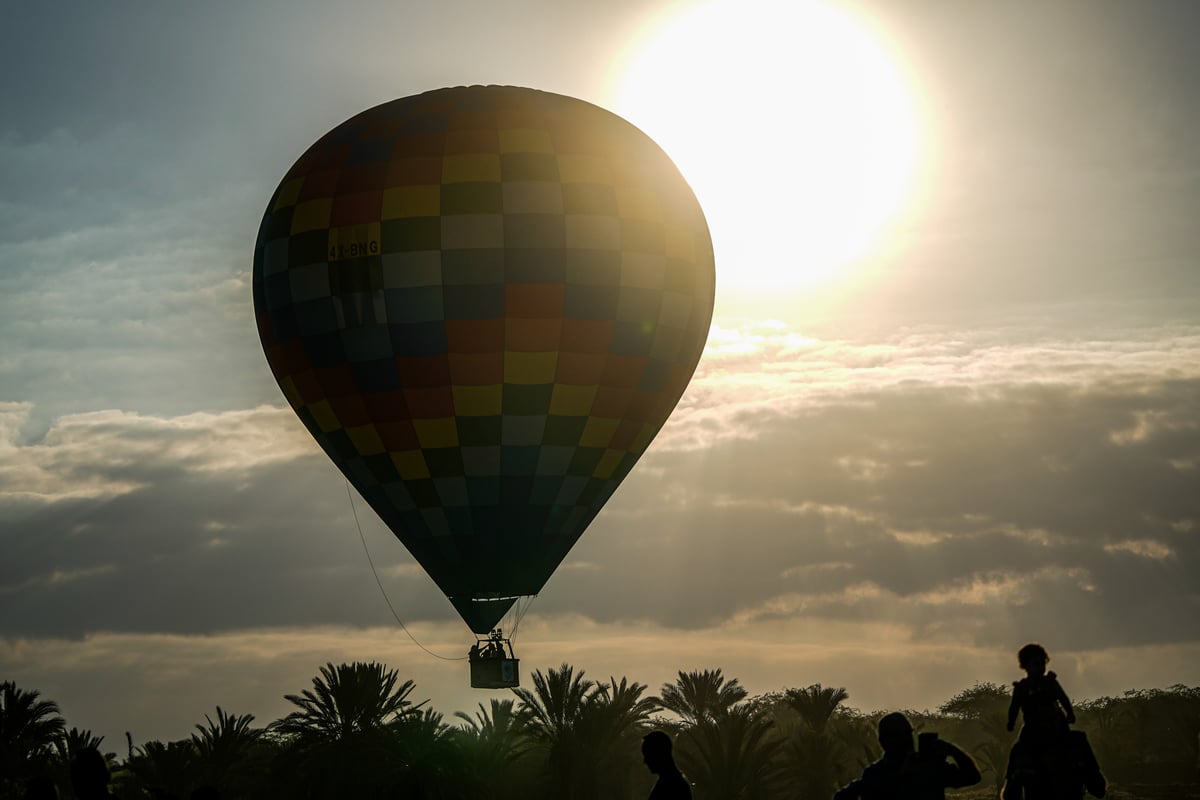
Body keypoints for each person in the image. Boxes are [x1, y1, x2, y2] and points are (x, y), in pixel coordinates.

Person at [833, 712, 981, 800]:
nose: (905, 740)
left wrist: (952, 750)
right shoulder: (876, 774)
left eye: (907, 734)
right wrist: (902, 776)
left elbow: (972, 777)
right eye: (898, 735)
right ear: (883, 742)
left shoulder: (928, 767)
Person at [1007, 643, 1075, 748]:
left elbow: (1063, 698)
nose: (1040, 667)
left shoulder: (1051, 682)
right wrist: (1011, 722)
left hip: (1056, 727)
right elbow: (1014, 707)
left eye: (1042, 664)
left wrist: (1070, 713)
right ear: (1026, 666)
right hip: (1032, 730)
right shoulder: (1021, 688)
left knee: (1077, 746)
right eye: (1036, 664)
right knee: (1017, 752)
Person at [642, 730, 692, 800]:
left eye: (648, 755)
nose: (645, 761)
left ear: (659, 754)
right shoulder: (674, 783)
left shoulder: (673, 786)